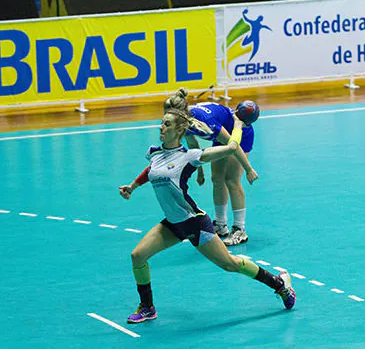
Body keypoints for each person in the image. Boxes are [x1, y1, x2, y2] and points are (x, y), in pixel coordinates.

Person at [119, 108, 295, 323]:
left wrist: (237, 127)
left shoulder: (190, 157)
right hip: (172, 223)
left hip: (194, 224)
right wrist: (133, 186)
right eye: (161, 123)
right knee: (137, 256)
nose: (160, 127)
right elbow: (152, 170)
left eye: (166, 124)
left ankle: (280, 284)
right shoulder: (155, 153)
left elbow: (231, 147)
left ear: (179, 130)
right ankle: (147, 307)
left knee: (230, 264)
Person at [163, 88, 259, 246]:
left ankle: (239, 229)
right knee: (216, 179)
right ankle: (220, 225)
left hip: (238, 134)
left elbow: (232, 145)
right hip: (222, 137)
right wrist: (199, 170)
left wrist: (248, 169)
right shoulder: (183, 122)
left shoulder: (205, 119)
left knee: (232, 180)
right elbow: (193, 145)